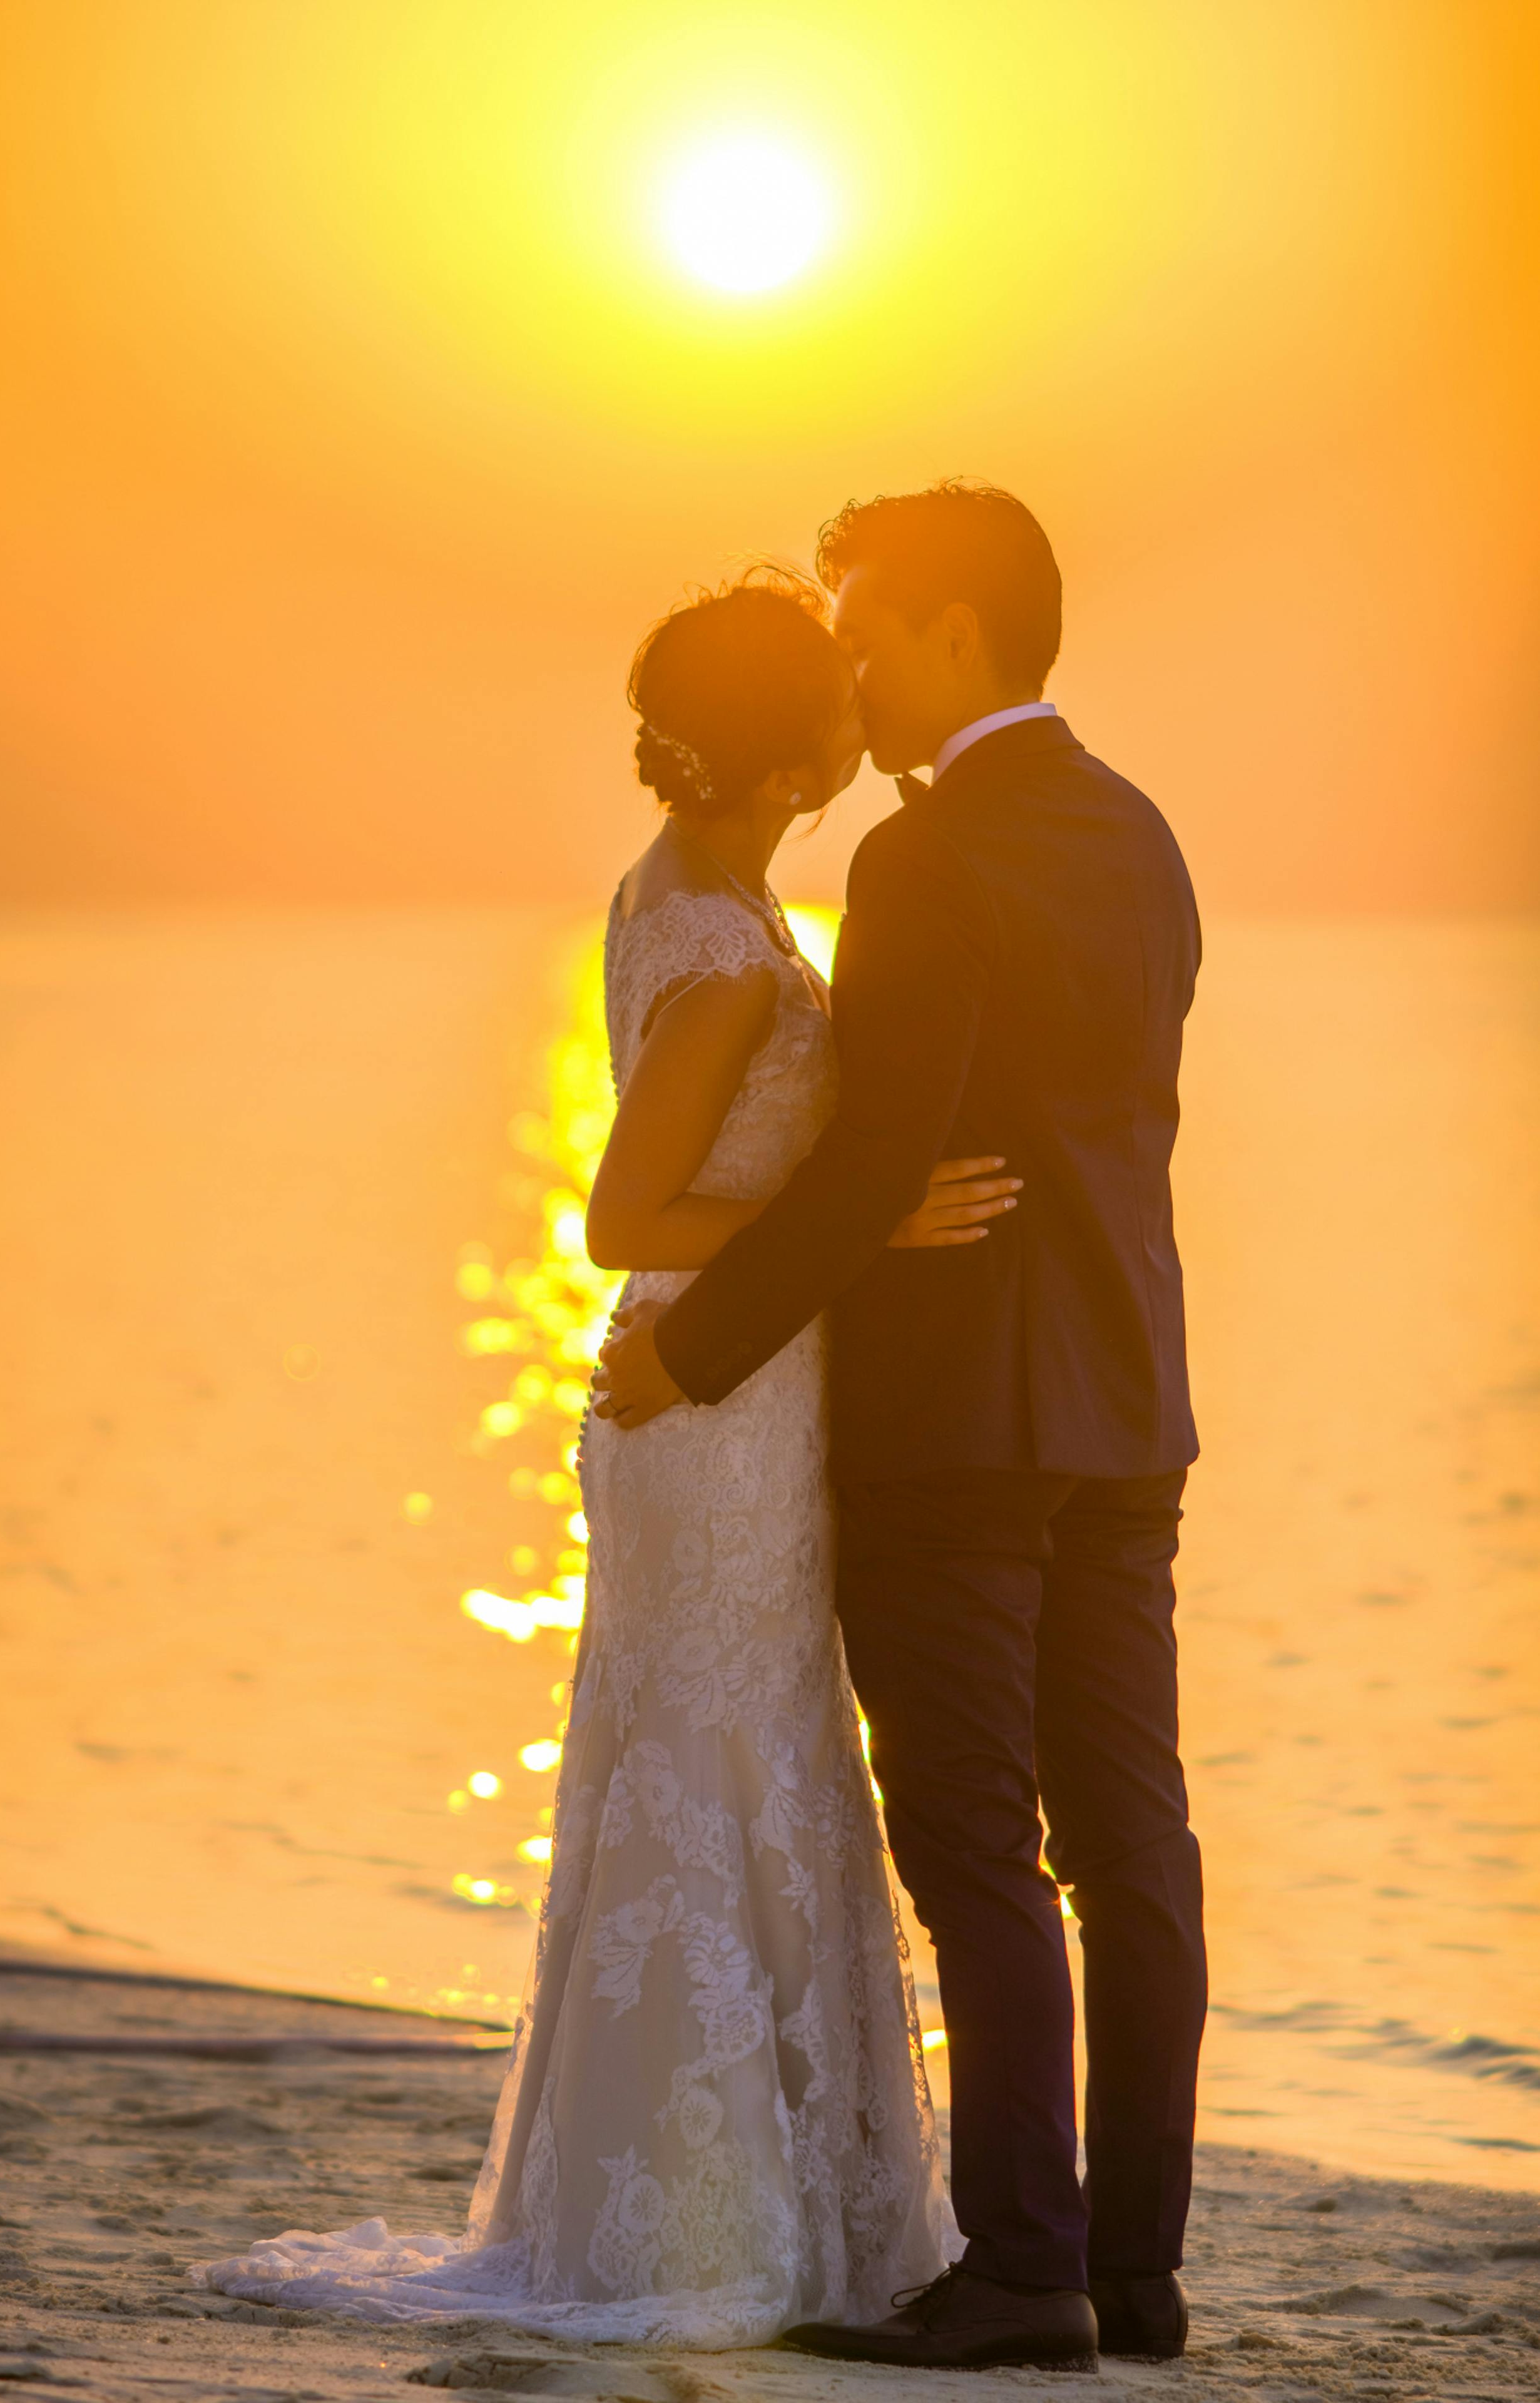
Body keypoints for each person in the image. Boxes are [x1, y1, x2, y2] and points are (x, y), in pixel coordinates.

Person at [196, 564, 1023, 2347]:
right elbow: (618, 1210)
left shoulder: (692, 895)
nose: (857, 710)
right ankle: (699, 2217)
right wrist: (865, 1222)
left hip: (723, 1402)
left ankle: (741, 2193)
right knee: (726, 1768)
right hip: (710, 1415)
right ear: (787, 742)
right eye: (833, 688)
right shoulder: (724, 951)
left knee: (734, 1765)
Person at [598, 482, 1208, 2369]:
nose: (847, 663)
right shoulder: (1139, 830)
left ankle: (1020, 2271)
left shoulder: (922, 862)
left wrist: (690, 1362)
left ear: (953, 628)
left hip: (959, 1424)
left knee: (971, 1843)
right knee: (1132, 1842)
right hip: (1127, 1401)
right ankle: (1133, 2268)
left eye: (864, 624)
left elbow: (881, 1154)